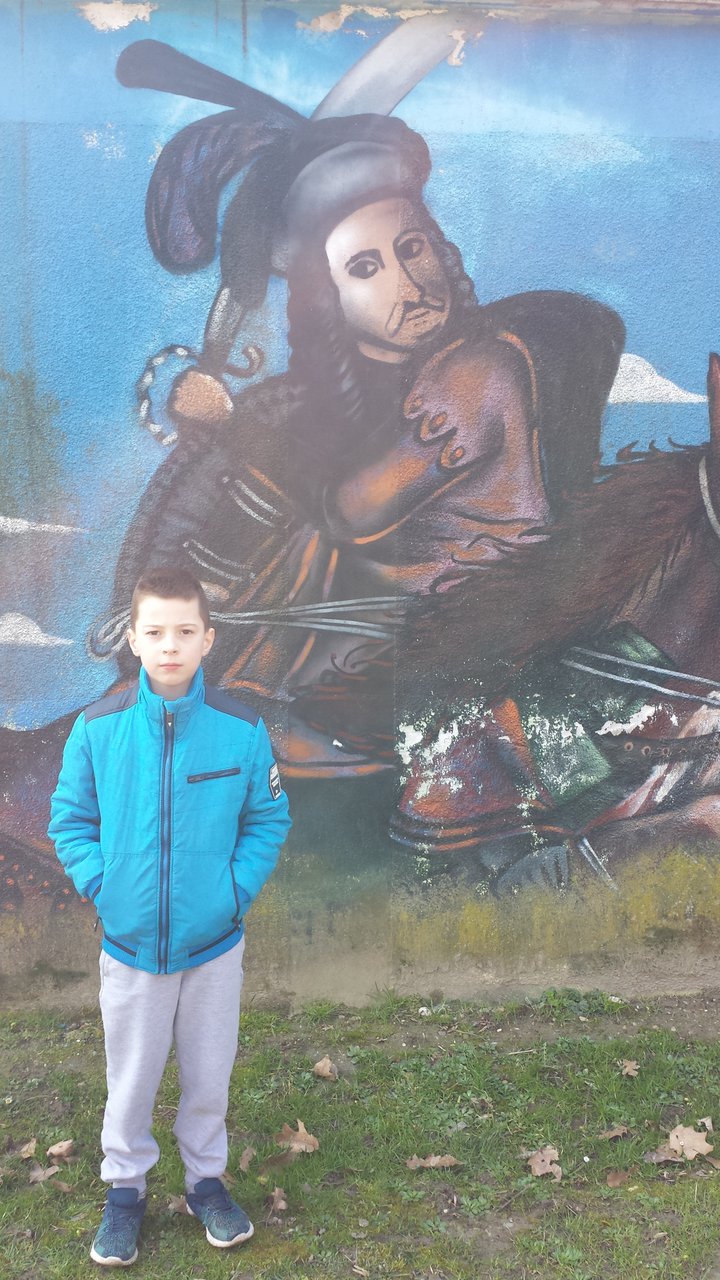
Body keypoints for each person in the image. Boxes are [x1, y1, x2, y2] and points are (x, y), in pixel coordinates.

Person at [90, 113, 624, 787]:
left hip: (469, 612)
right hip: (398, 611)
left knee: (307, 568)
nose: (410, 283)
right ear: (327, 300)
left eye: (413, 247)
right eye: (366, 267)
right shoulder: (367, 394)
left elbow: (351, 509)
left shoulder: (474, 373)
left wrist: (233, 426)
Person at [48, 566, 291, 1267]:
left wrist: (233, 893)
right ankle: (125, 1192)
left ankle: (206, 1182)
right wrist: (104, 886)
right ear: (133, 638)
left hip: (213, 946)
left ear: (208, 638)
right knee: (131, 1078)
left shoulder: (240, 729)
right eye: (155, 631)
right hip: (130, 950)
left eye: (186, 631)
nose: (170, 645)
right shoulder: (98, 728)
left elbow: (267, 819)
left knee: (209, 1074)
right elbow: (70, 819)